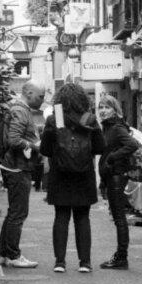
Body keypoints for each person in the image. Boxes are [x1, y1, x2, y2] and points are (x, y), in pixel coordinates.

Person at [40, 82, 105, 273]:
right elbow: (100, 148)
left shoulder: (55, 119)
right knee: (82, 217)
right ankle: (85, 262)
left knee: (61, 216)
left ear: (59, 100)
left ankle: (60, 262)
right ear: (82, 100)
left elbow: (44, 150)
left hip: (60, 175)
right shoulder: (89, 119)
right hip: (84, 175)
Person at [0, 80, 45, 268]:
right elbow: (14, 139)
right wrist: (33, 146)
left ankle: (5, 253)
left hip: (15, 166)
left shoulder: (17, 109)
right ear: (29, 93)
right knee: (18, 213)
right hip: (17, 167)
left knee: (13, 213)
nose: (42, 100)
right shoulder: (20, 110)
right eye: (40, 96)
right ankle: (13, 255)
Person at [96, 94, 140, 270]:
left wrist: (113, 158)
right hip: (112, 175)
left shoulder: (116, 127)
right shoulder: (108, 127)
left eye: (107, 107)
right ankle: (121, 256)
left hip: (117, 175)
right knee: (117, 217)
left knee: (119, 218)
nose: (103, 111)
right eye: (101, 107)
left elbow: (132, 145)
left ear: (115, 110)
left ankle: (122, 257)